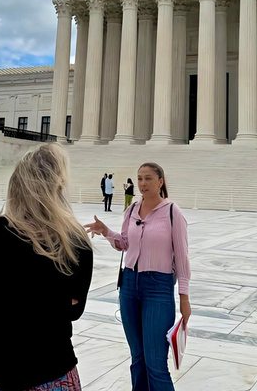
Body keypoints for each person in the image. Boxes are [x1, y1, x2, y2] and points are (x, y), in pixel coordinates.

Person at [0, 143, 94, 391]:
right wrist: (53, 303)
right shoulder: (75, 239)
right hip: (54, 368)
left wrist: (9, 302)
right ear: (59, 186)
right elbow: (73, 310)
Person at [85, 162, 191, 391]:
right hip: (130, 285)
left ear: (160, 181)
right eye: (140, 178)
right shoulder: (132, 210)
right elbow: (124, 243)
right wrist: (105, 231)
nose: (143, 183)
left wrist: (184, 298)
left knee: (155, 362)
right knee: (138, 359)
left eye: (148, 178)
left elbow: (182, 258)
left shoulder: (173, 212)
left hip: (158, 288)